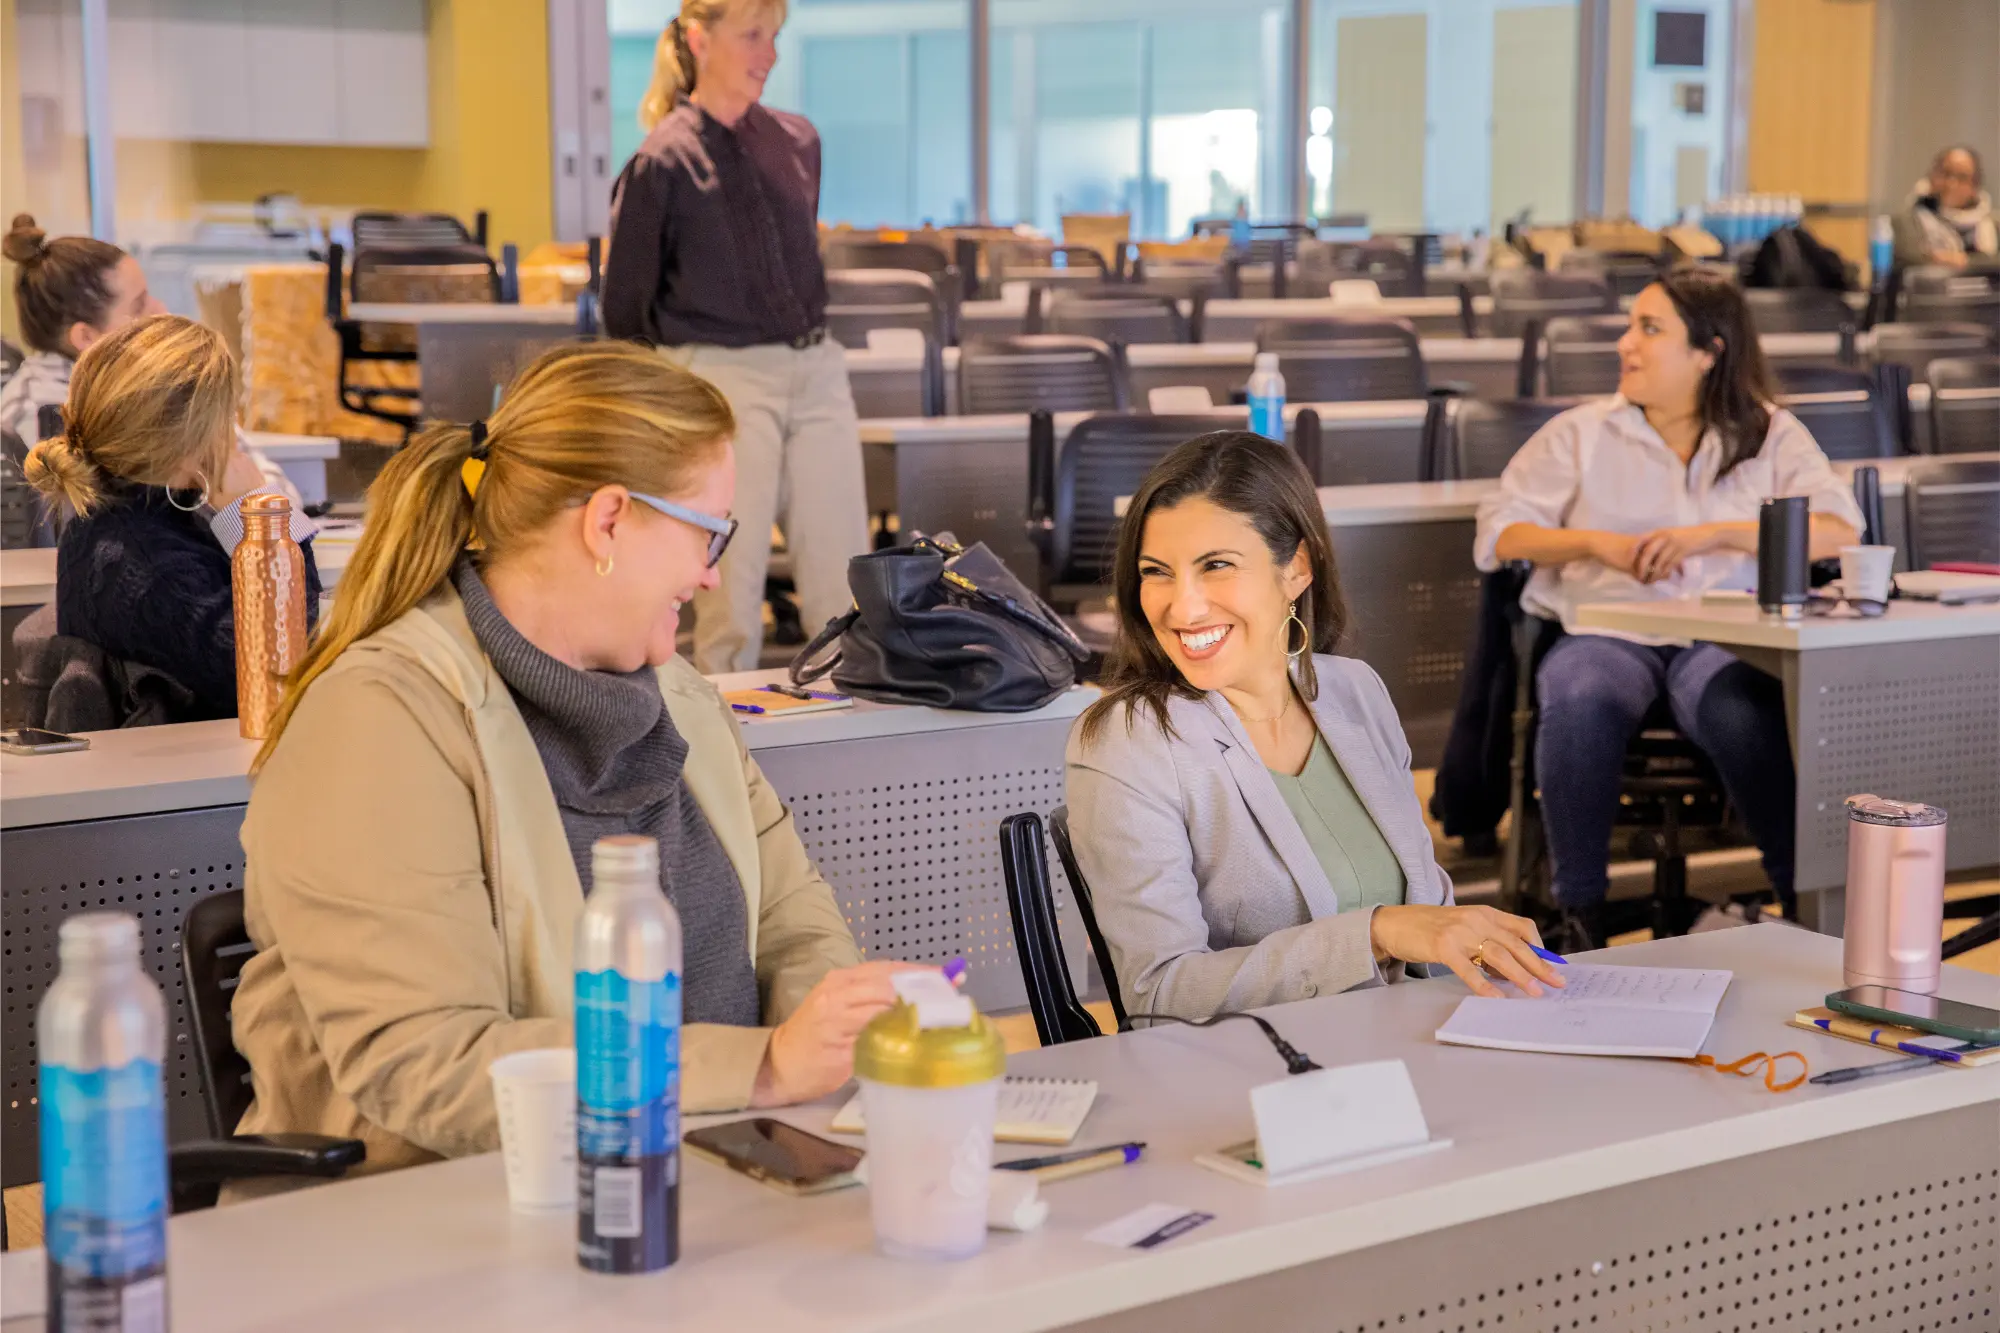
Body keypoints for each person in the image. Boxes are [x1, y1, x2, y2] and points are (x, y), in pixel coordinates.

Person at [232, 341, 913, 1181]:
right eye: (711, 533)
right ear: (609, 519)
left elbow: (792, 919)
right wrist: (764, 1065)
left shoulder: (684, 697)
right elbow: (427, 1060)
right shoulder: (381, 715)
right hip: (441, 1226)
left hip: (702, 1180)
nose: (712, 576)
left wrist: (833, 1022)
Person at [1066, 431, 1563, 1024]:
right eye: (1157, 572)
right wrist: (1377, 934)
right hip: (1259, 1082)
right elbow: (1158, 991)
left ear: (1296, 568)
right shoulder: (1133, 740)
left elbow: (1427, 904)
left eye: (1216, 565)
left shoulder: (1355, 692)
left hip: (1412, 1051)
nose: (1183, 607)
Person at [1475, 267, 1863, 947]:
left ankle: (1804, 907)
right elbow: (1500, 534)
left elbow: (1840, 530)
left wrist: (1713, 532)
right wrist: (1596, 543)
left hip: (1721, 636)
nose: (1627, 343)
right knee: (1578, 690)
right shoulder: (1583, 432)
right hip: (1611, 629)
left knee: (1740, 708)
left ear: (1708, 351)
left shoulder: (1771, 434)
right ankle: (1580, 914)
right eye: (1630, 325)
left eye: (1649, 329)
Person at [602, 0, 867, 674]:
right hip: (720, 379)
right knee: (729, 590)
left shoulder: (799, 140)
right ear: (700, 37)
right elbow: (624, 313)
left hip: (816, 370)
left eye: (774, 36)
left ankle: (853, 749)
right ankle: (723, 760)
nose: (768, 54)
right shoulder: (661, 162)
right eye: (752, 35)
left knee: (848, 583)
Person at [23, 315, 321, 722]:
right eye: (227, 416)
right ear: (189, 439)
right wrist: (261, 514)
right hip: (209, 777)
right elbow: (280, 671)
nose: (233, 432)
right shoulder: (144, 563)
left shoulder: (123, 516)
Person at [1, 214, 302, 503]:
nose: (161, 310)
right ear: (86, 338)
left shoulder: (160, 384)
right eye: (140, 305)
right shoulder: (35, 416)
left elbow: (279, 493)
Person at [1893, 145, 1998, 270]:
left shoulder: (1993, 225)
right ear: (1931, 176)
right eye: (1945, 174)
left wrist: (1965, 261)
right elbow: (1910, 258)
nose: (1951, 184)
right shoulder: (1908, 221)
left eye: (1962, 177)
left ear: (1975, 186)